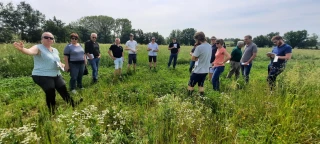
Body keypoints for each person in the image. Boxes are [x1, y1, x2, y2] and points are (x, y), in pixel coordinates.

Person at [12, 32, 82, 114]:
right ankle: (52, 112)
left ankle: (73, 104)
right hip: (42, 75)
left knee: (63, 89)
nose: (49, 39)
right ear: (42, 39)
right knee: (50, 91)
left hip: (56, 74)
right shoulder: (38, 47)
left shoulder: (55, 50)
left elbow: (57, 62)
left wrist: (64, 66)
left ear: (53, 40)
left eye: (51, 38)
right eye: (46, 37)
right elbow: (30, 51)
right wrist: (23, 49)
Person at [187, 32, 211, 97]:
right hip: (206, 70)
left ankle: (189, 98)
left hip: (198, 70)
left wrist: (193, 55)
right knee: (201, 84)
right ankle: (202, 97)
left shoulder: (199, 47)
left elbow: (193, 58)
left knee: (190, 84)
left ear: (197, 39)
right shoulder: (210, 46)